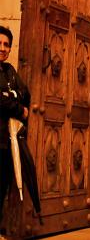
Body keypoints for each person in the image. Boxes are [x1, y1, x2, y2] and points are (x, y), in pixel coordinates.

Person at [0, 26, 30, 226]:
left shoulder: (9, 70)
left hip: (5, 142)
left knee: (2, 188)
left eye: (6, 45)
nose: (2, 48)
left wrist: (10, 95)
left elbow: (25, 94)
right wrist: (19, 109)